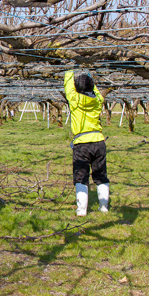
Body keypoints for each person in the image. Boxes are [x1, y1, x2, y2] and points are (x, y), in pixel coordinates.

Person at [64, 69, 109, 216]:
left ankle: (81, 210)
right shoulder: (97, 100)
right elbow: (95, 90)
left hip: (82, 143)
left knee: (81, 176)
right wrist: (89, 75)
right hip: (99, 141)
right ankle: (104, 208)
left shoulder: (75, 100)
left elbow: (68, 86)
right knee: (101, 175)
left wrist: (69, 71)